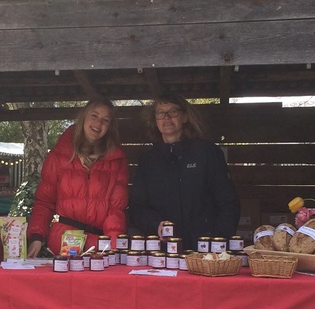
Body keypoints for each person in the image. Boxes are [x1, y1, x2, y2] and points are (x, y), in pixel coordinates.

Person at [128, 93, 240, 250]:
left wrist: (217, 242)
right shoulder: (148, 161)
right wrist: (155, 225)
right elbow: (137, 208)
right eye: (161, 113)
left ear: (185, 117)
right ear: (155, 120)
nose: (167, 117)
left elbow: (228, 204)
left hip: (206, 251)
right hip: (163, 251)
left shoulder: (208, 153)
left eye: (173, 111)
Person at [27, 99, 129, 257]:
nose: (98, 123)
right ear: (83, 117)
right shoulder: (58, 155)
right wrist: (36, 236)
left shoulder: (116, 161)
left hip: (98, 247)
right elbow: (45, 201)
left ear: (110, 127)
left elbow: (116, 210)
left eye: (105, 120)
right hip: (63, 242)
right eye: (94, 116)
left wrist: (114, 248)